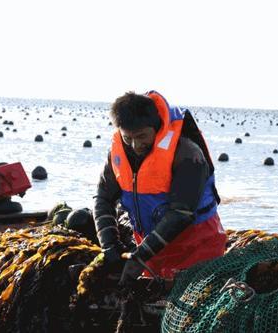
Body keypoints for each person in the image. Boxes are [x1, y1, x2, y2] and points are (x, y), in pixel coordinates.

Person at [93, 91, 226, 286]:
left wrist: (140, 256)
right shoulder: (118, 154)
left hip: (197, 249)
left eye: (141, 136)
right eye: (128, 138)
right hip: (151, 251)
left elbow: (181, 213)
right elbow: (103, 198)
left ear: (156, 127)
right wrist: (109, 245)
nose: (135, 145)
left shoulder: (188, 154)